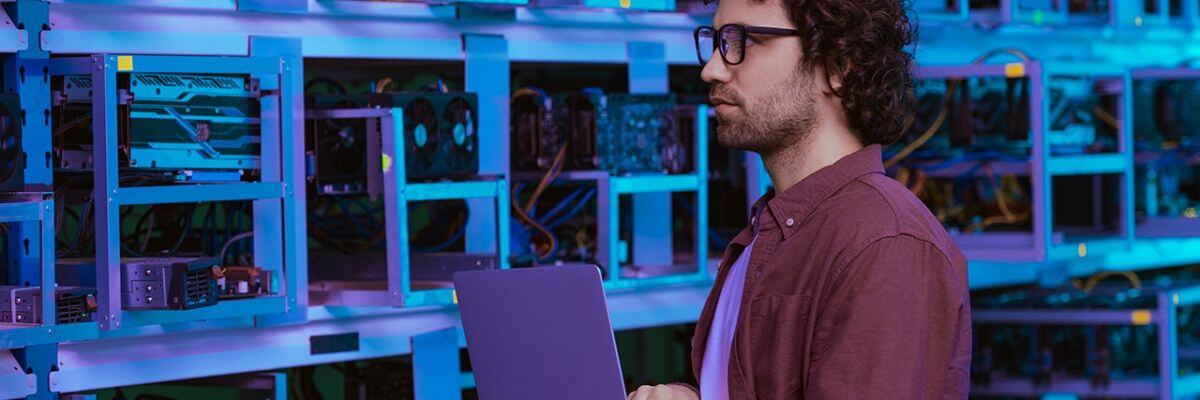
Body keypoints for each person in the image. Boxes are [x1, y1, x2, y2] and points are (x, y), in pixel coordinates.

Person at [627, 0, 971, 398]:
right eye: (716, 41)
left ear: (837, 66)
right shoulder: (768, 235)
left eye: (744, 41)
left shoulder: (884, 244)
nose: (712, 69)